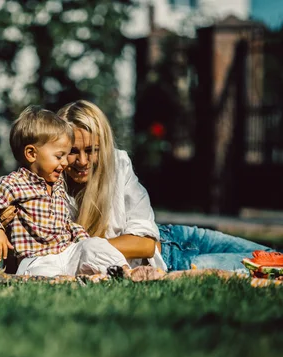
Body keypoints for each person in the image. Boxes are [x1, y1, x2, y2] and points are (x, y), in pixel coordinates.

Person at [55, 99, 271, 273]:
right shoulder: (51, 191)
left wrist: (84, 248)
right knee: (271, 267)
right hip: (169, 264)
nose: (82, 161)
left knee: (278, 256)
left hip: (176, 237)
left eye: (92, 150)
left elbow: (145, 243)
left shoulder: (117, 165)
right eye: (73, 151)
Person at [0, 105, 130, 277]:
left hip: (65, 252)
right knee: (42, 272)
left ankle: (126, 271)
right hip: (36, 258)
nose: (65, 162)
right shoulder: (14, 184)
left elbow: (66, 224)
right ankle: (67, 279)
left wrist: (84, 241)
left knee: (96, 246)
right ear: (32, 153)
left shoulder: (58, 185)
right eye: (59, 156)